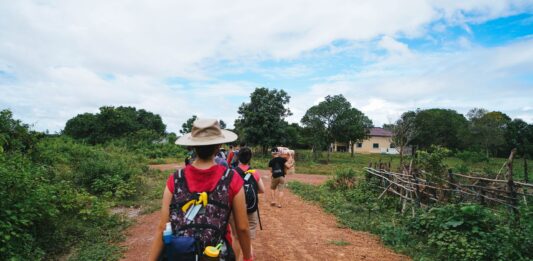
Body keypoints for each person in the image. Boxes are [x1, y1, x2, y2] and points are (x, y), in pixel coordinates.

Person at [148, 119, 253, 261]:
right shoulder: (231, 178)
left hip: (181, 254)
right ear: (219, 146)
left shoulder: (176, 179)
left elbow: (162, 227)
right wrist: (247, 257)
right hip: (215, 254)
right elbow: (242, 228)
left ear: (193, 146)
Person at [230, 147, 265, 260]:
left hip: (235, 210)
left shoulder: (232, 172)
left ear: (238, 157)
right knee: (248, 237)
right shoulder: (254, 173)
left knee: (236, 237)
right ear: (250, 158)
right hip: (251, 209)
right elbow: (262, 190)